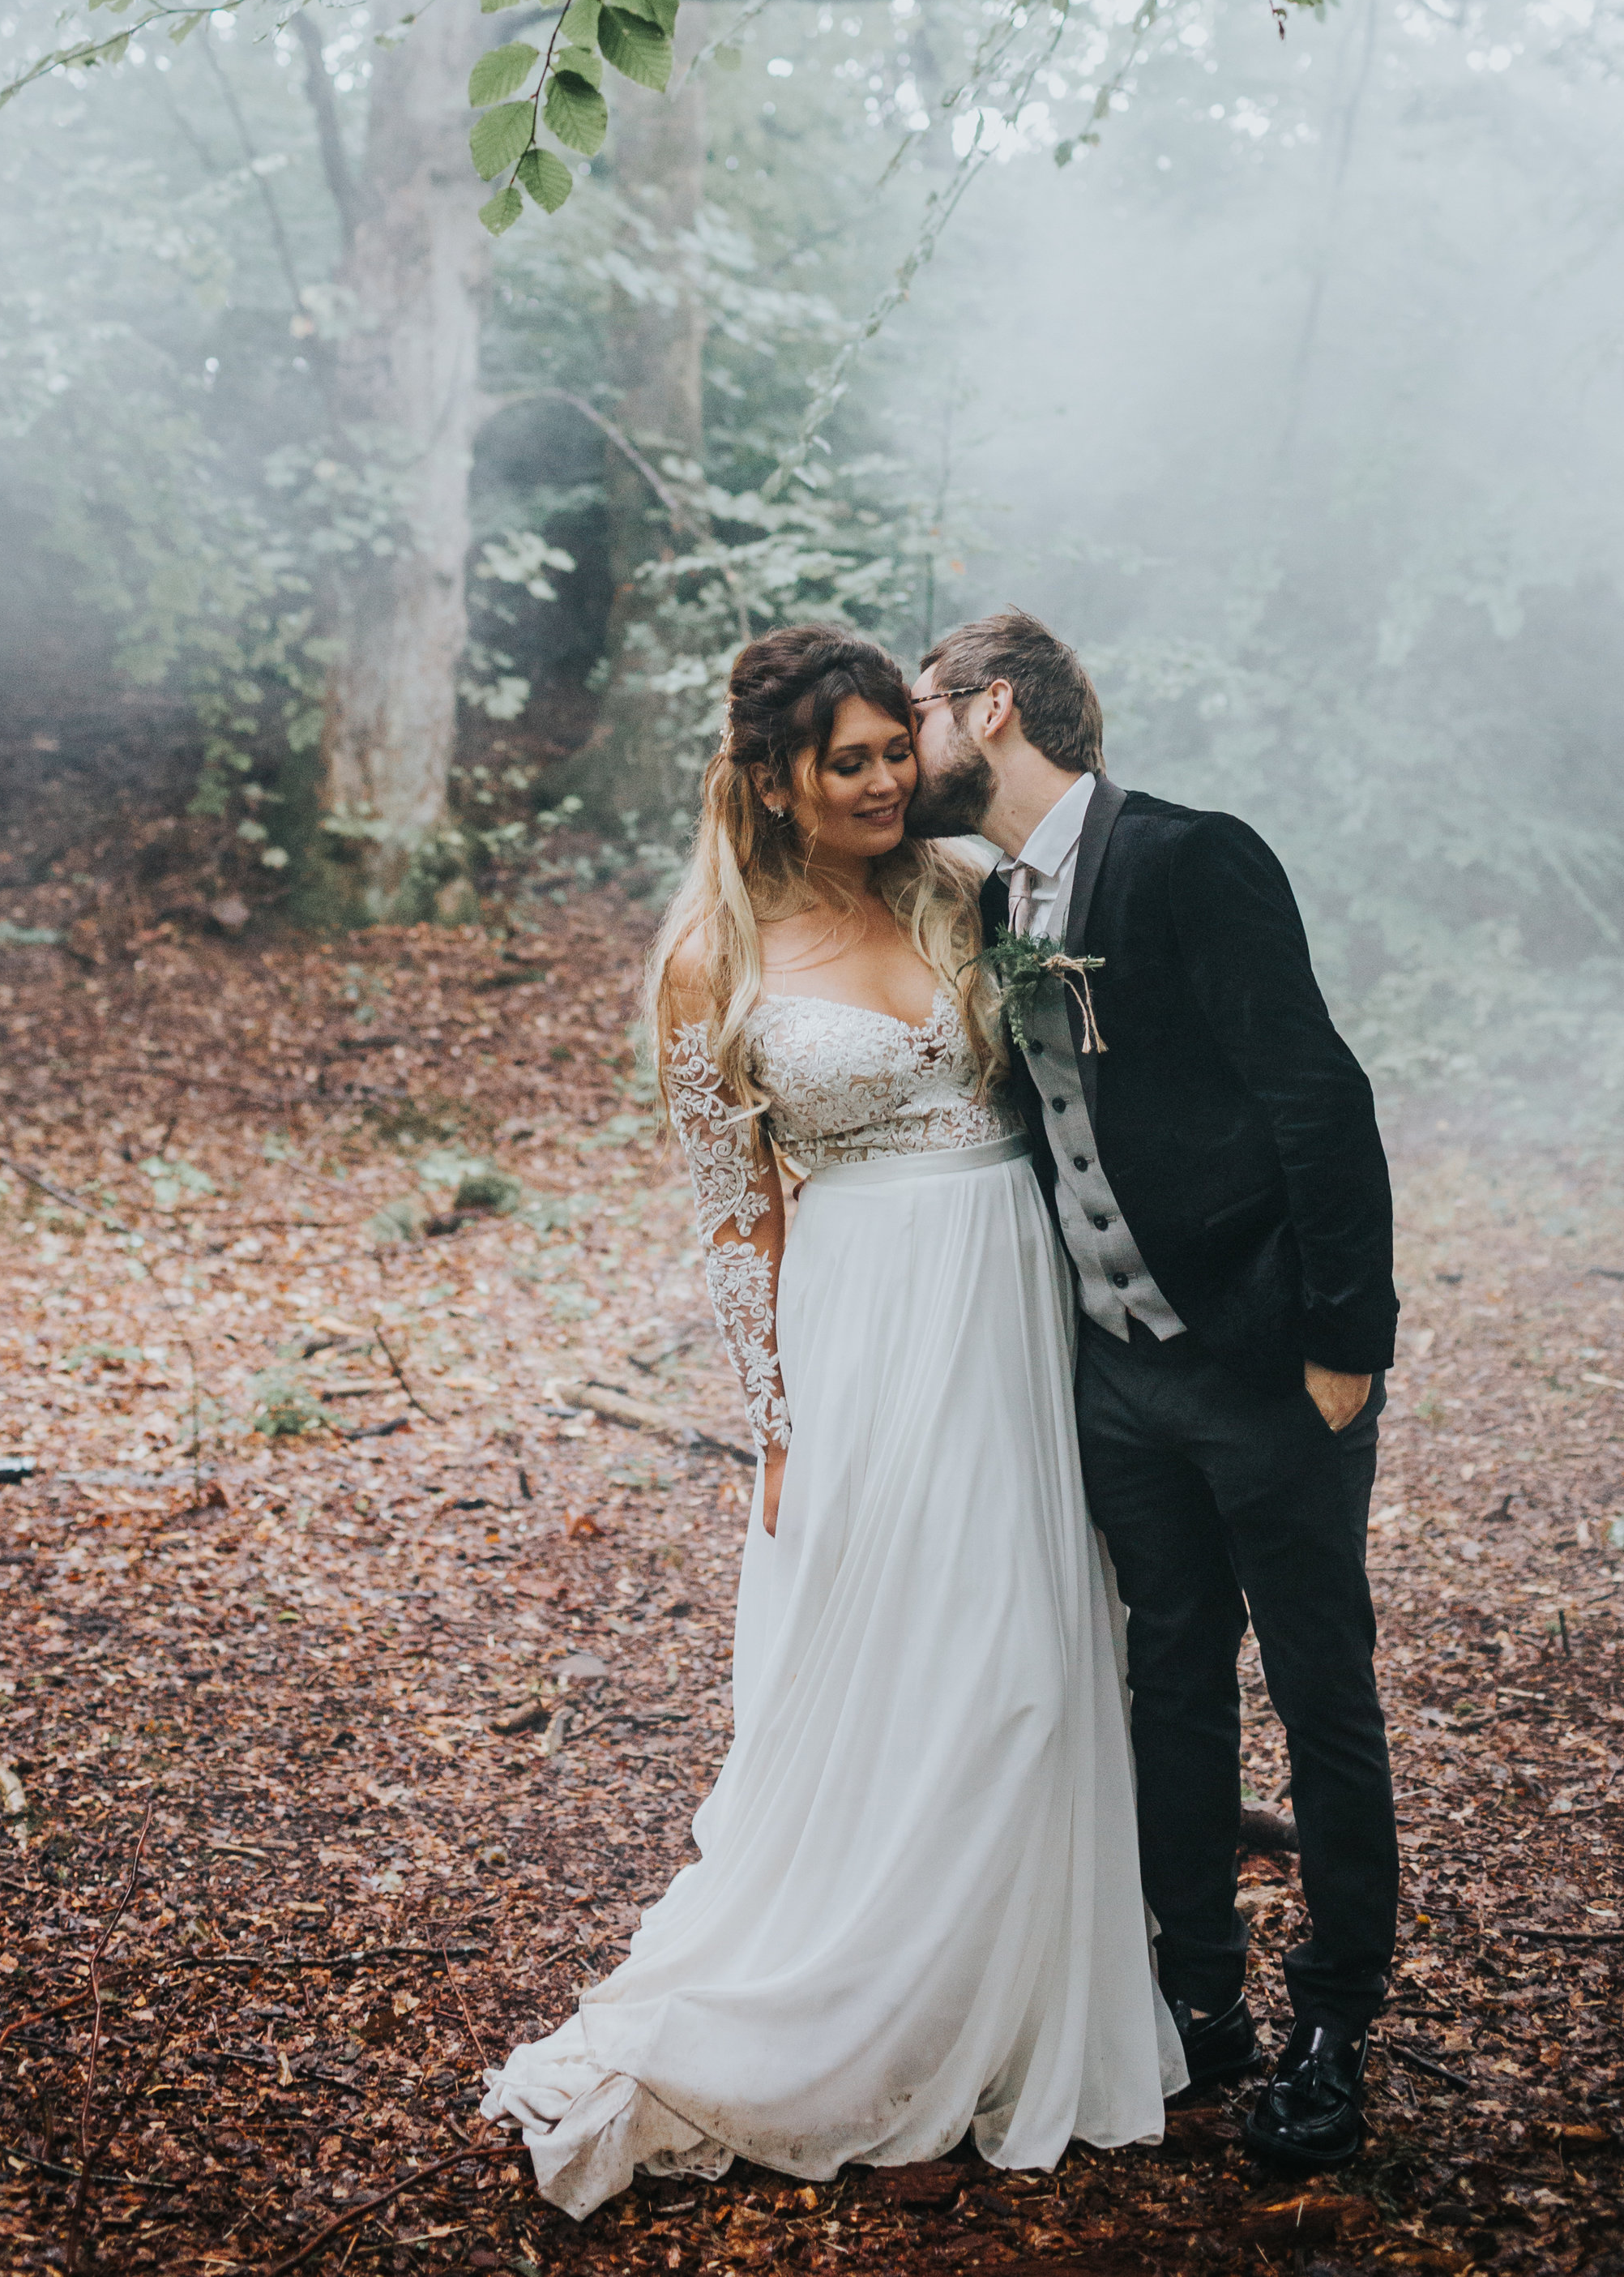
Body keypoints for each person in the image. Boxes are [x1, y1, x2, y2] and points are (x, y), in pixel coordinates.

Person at [482, 625, 1183, 2215]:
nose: (883, 780)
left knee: (1027, 1661)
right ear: (775, 781)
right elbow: (734, 1221)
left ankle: (1012, 1999)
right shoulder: (706, 961)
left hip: (1021, 1308)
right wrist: (777, 1428)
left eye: (892, 752)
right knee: (906, 1654)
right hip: (867, 1325)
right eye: (848, 762)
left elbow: (1081, 1093)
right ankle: (850, 1993)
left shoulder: (959, 892)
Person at [904, 610, 1399, 2172]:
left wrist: (1344, 1342)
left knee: (1321, 1693)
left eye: (912, 709)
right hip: (1117, 1383)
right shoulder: (988, 905)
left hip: (1267, 1367)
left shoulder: (1195, 859)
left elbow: (1320, 1095)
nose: (895, 739)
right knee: (1168, 1683)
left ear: (989, 706)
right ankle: (1200, 2001)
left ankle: (1331, 2021)